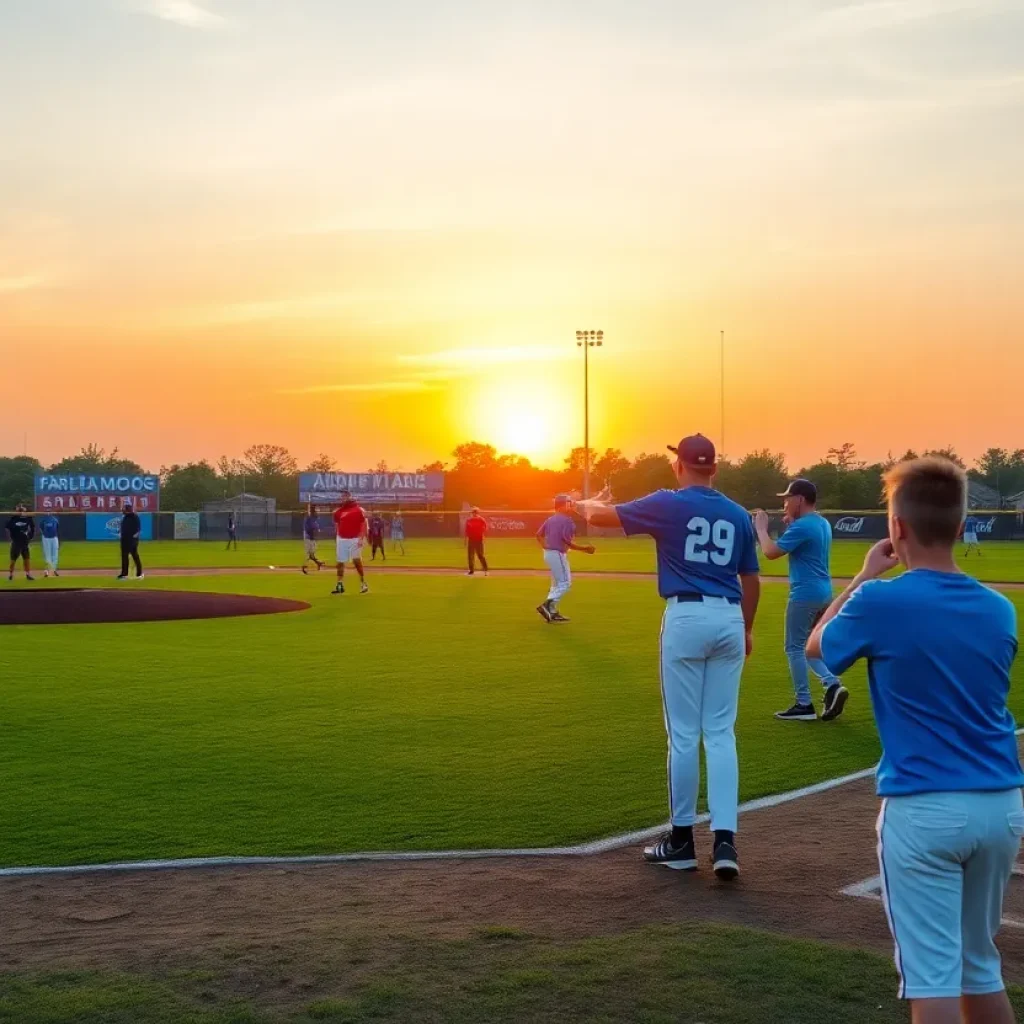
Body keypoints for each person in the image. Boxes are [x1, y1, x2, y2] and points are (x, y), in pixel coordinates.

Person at [808, 457, 1022, 1024]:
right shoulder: (1001, 610)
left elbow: (816, 647)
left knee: (933, 980)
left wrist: (861, 578)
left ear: (896, 528)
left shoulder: (881, 601)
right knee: (980, 967)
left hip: (924, 807)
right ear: (959, 527)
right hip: (1000, 805)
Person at [579, 433, 760, 880]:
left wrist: (582, 503)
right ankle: (725, 843)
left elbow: (603, 518)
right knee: (720, 733)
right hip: (729, 618)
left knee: (683, 734)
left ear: (680, 465)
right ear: (714, 468)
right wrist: (748, 628)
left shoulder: (669, 501)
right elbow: (751, 578)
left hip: (686, 617)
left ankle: (681, 842)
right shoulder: (737, 513)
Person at [753, 479, 847, 723]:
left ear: (800, 500)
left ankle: (804, 703)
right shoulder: (821, 522)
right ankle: (831, 684)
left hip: (805, 593)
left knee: (794, 647)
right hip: (824, 592)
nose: (784, 504)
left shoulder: (803, 526)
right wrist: (792, 522)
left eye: (787, 499)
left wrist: (761, 529)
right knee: (809, 646)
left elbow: (771, 552)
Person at [535, 494, 594, 622]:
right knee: (565, 583)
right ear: (563, 505)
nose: (571, 506)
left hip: (548, 554)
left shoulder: (550, 519)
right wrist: (585, 549)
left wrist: (545, 546)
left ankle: (552, 612)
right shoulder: (567, 521)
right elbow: (566, 541)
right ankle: (547, 605)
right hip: (557, 554)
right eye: (569, 503)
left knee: (555, 585)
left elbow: (538, 535)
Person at [332, 490, 368, 595]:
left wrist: (361, 538)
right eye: (342, 497)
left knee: (357, 561)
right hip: (342, 539)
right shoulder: (338, 512)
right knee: (340, 562)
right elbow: (337, 525)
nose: (343, 498)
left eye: (345, 496)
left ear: (350, 497)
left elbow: (363, 524)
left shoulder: (358, 510)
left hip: (355, 539)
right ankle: (339, 585)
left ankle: (363, 583)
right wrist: (337, 537)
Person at [5, 503, 35, 582]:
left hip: (25, 542)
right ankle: (11, 575)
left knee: (27, 559)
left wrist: (30, 537)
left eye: (22, 508)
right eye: (19, 508)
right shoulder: (13, 519)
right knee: (13, 560)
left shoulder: (28, 518)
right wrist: (10, 540)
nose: (21, 509)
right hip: (16, 542)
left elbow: (32, 527)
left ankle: (28, 575)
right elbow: (7, 529)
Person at [117, 500, 144, 580]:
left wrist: (134, 539)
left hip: (132, 540)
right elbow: (124, 528)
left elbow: (138, 529)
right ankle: (124, 574)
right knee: (125, 556)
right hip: (124, 540)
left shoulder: (134, 517)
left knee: (134, 556)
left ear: (127, 509)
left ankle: (139, 574)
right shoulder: (125, 517)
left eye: (124, 508)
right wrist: (121, 534)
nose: (122, 510)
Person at [465, 506, 489, 576]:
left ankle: (485, 569)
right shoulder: (469, 520)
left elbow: (485, 528)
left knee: (480, 555)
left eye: (475, 512)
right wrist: (466, 539)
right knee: (470, 556)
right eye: (473, 512)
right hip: (471, 540)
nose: (474, 513)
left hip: (479, 539)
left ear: (478, 513)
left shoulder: (481, 520)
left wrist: (482, 534)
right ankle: (471, 570)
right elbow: (467, 530)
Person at [302, 504, 325, 573]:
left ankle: (317, 563)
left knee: (311, 553)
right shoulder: (309, 517)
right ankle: (305, 567)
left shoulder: (313, 518)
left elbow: (315, 525)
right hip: (308, 537)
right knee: (309, 553)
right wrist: (314, 531)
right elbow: (307, 528)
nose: (317, 513)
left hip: (312, 537)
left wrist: (317, 529)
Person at [39, 511, 60, 577]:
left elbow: (57, 528)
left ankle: (54, 569)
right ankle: (47, 571)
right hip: (46, 538)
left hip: (54, 537)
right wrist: (44, 534)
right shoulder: (43, 520)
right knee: (47, 554)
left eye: (50, 511)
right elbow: (41, 528)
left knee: (55, 554)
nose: (48, 513)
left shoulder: (55, 520)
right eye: (47, 511)